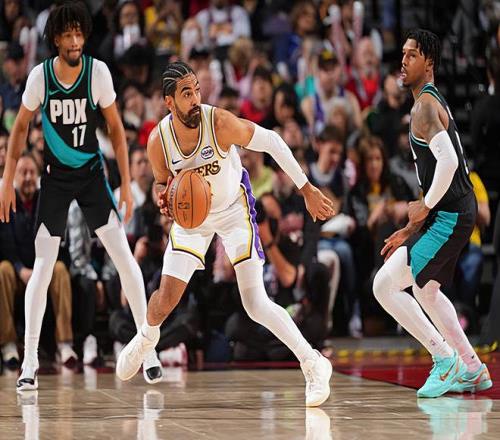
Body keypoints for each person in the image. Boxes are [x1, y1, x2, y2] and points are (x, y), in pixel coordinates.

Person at [116, 61, 335, 407]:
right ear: (169, 102)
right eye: (186, 93)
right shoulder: (158, 141)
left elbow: (272, 141)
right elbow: (161, 182)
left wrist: (306, 188)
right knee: (165, 299)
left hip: (234, 210)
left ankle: (313, 364)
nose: (195, 98)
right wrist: (164, 196)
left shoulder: (218, 123)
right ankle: (146, 339)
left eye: (196, 90)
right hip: (193, 219)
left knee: (255, 303)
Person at [0, 1, 162, 391]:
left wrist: (126, 182)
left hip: (91, 177)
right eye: (68, 35)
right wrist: (6, 181)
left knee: (123, 257)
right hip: (55, 179)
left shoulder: (97, 72)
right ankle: (30, 360)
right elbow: (20, 129)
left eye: (79, 34)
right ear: (55, 39)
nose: (75, 41)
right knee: (43, 266)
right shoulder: (40, 77)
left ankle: (148, 350)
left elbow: (117, 131)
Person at [373, 29, 492, 398]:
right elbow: (438, 170)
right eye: (403, 54)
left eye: (412, 55)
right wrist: (412, 227)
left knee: (394, 288)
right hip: (450, 211)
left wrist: (423, 208)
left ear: (429, 62)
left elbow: (449, 162)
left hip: (450, 214)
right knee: (417, 289)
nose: (403, 61)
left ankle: (445, 360)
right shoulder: (427, 102)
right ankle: (471, 367)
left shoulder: (424, 106)